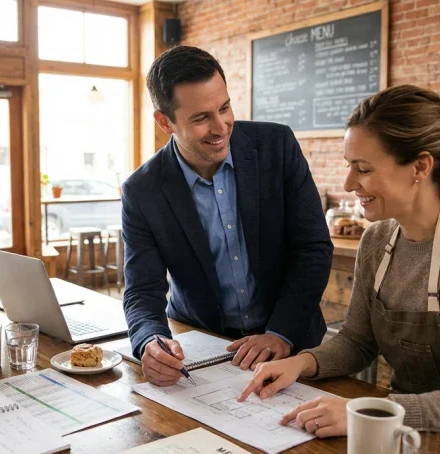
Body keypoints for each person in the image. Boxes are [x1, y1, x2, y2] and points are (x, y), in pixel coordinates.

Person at [239, 85, 440, 438]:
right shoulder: (377, 240)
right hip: (407, 434)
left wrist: (367, 413)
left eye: (364, 169)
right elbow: (357, 341)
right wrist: (301, 363)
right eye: (350, 167)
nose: (350, 183)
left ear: (420, 167)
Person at [123, 46, 333, 387]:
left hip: (293, 343)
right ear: (165, 122)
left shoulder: (276, 145)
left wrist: (281, 332)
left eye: (225, 108)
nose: (221, 127)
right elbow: (143, 289)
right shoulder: (142, 190)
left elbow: (313, 248)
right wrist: (150, 342)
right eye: (202, 117)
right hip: (204, 350)